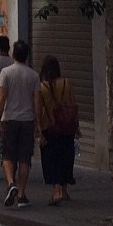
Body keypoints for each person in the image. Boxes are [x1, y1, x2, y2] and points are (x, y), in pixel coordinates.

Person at [0, 40, 39, 208]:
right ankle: (21, 194)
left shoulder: (6, 73)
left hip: (10, 119)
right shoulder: (33, 75)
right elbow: (37, 102)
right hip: (27, 120)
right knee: (25, 159)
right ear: (27, 56)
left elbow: (1, 98)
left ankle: (11, 182)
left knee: (7, 154)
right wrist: (38, 124)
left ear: (13, 54)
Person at [35, 55, 79, 205]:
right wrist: (77, 126)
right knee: (66, 156)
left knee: (51, 159)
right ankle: (65, 190)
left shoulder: (41, 87)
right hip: (67, 127)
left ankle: (57, 191)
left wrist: (39, 129)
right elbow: (73, 105)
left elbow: (38, 109)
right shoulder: (67, 83)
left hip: (50, 127)